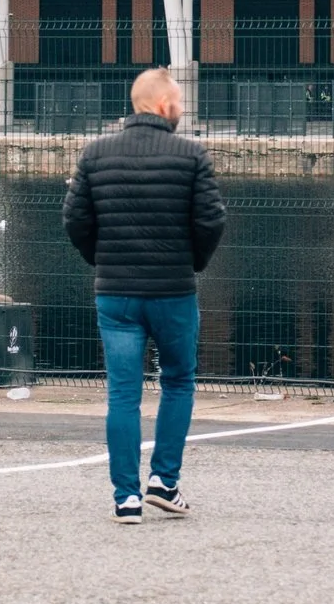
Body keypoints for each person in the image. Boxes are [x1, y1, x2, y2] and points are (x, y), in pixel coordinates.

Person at [62, 66, 227, 523]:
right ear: (160, 105)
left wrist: (102, 259)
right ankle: (164, 481)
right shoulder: (190, 156)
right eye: (177, 100)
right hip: (173, 291)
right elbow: (211, 221)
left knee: (123, 394)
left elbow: (75, 221)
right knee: (177, 381)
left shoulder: (95, 155)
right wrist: (192, 262)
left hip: (116, 295)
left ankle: (126, 498)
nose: (181, 107)